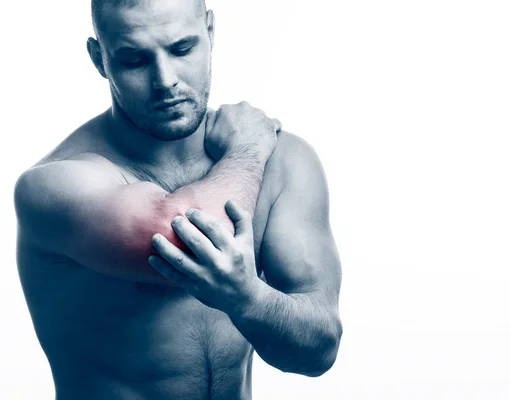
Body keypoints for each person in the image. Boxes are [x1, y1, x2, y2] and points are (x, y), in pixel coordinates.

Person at [13, 0, 343, 398]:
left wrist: (249, 300)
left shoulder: (285, 162)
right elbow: (187, 239)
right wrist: (250, 151)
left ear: (210, 32)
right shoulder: (53, 185)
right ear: (100, 59)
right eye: (135, 60)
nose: (165, 80)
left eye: (181, 49)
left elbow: (319, 349)